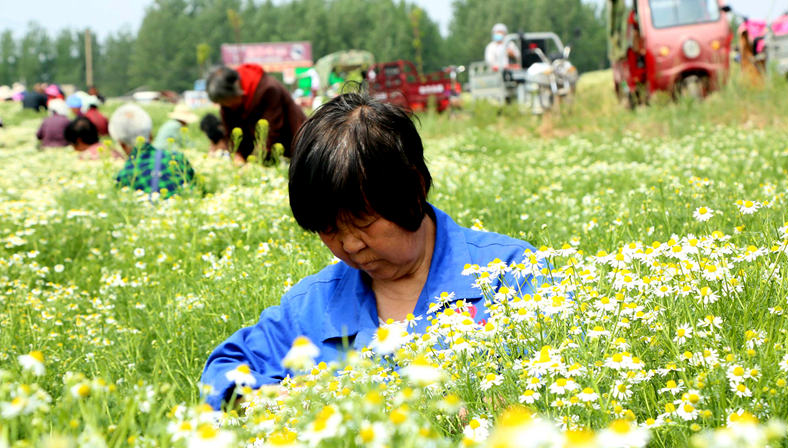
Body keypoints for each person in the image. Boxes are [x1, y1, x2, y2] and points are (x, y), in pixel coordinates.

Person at [200, 93, 535, 409]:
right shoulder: (311, 308)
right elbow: (222, 373)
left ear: (414, 189)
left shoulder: (512, 275)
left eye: (362, 221)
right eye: (328, 229)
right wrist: (285, 404)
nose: (349, 245)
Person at [206, 64, 306, 162]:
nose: (225, 106)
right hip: (257, 158)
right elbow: (231, 133)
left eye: (226, 101)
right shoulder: (226, 105)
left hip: (290, 149)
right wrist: (237, 155)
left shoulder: (268, 89)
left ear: (236, 90)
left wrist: (252, 163)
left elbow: (270, 132)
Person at [108, 103, 197, 200]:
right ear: (151, 135)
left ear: (121, 144)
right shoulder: (178, 159)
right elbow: (197, 191)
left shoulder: (123, 176)